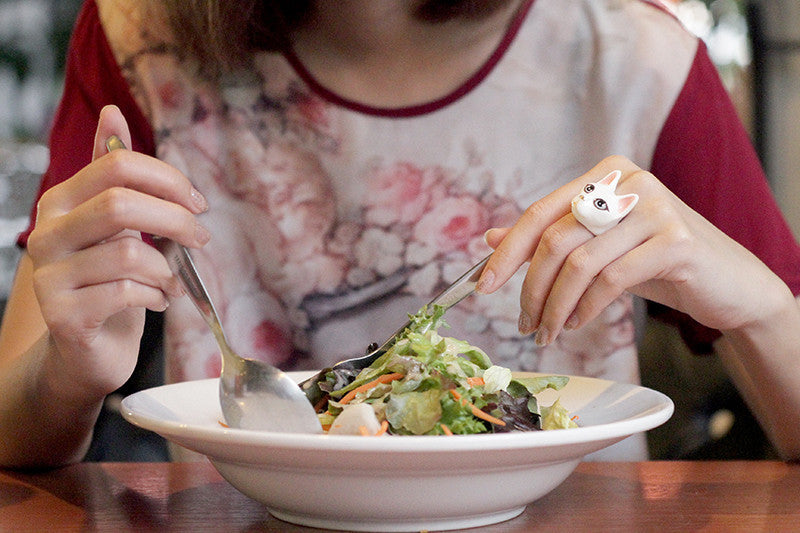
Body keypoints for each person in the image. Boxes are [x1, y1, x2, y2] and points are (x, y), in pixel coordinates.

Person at [1, 0, 799, 468]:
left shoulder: (635, 56)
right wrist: (69, 372)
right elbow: (14, 431)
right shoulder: (139, 35)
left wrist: (759, 308)